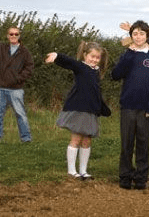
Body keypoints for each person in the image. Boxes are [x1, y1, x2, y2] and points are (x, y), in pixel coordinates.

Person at [44, 42, 111, 180]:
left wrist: (102, 108)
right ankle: (71, 171)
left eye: (97, 58)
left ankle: (83, 171)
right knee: (76, 139)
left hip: (91, 111)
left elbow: (95, 92)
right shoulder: (81, 67)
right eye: (92, 56)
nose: (94, 60)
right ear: (85, 55)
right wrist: (57, 56)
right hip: (78, 109)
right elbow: (69, 62)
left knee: (87, 141)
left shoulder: (96, 72)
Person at [112, 20, 149, 190]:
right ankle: (125, 176)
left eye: (141, 33)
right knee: (126, 143)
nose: (138, 36)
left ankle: (141, 178)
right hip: (127, 106)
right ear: (131, 36)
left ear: (147, 35)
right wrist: (128, 55)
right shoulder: (128, 54)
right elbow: (116, 74)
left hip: (144, 109)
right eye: (135, 33)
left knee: (143, 144)